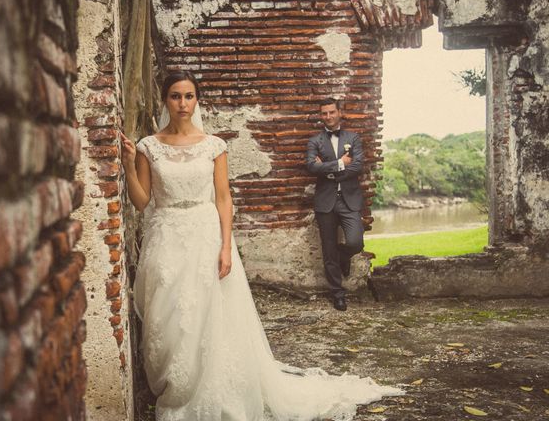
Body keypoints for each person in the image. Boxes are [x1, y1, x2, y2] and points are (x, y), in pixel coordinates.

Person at [121, 71, 401, 420]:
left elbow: (224, 200)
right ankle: (176, 387)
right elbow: (142, 202)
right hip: (166, 236)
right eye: (176, 96)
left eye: (189, 96)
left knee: (208, 315)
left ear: (197, 100)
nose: (183, 103)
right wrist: (130, 167)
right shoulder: (149, 146)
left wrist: (225, 248)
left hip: (206, 234)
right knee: (170, 313)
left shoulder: (214, 145)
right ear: (165, 99)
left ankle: (211, 389)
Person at [306, 98, 365, 312]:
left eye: (332, 112)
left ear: (339, 112)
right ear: (321, 116)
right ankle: (338, 294)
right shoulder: (315, 141)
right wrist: (340, 163)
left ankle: (344, 254)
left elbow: (357, 166)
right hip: (325, 202)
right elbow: (311, 167)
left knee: (356, 241)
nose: (328, 117)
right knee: (328, 250)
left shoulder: (353, 138)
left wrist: (328, 170)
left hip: (349, 200)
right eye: (324, 113)